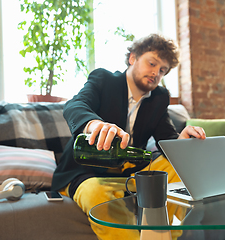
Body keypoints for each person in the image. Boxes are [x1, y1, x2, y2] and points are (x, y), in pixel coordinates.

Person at [51, 34, 206, 239]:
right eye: (152, 63)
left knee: (178, 168)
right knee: (95, 193)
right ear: (133, 58)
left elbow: (165, 138)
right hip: (86, 172)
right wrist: (94, 124)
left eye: (162, 70)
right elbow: (76, 105)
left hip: (130, 173)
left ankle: (161, 235)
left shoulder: (159, 98)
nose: (156, 73)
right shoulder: (104, 80)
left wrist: (181, 142)